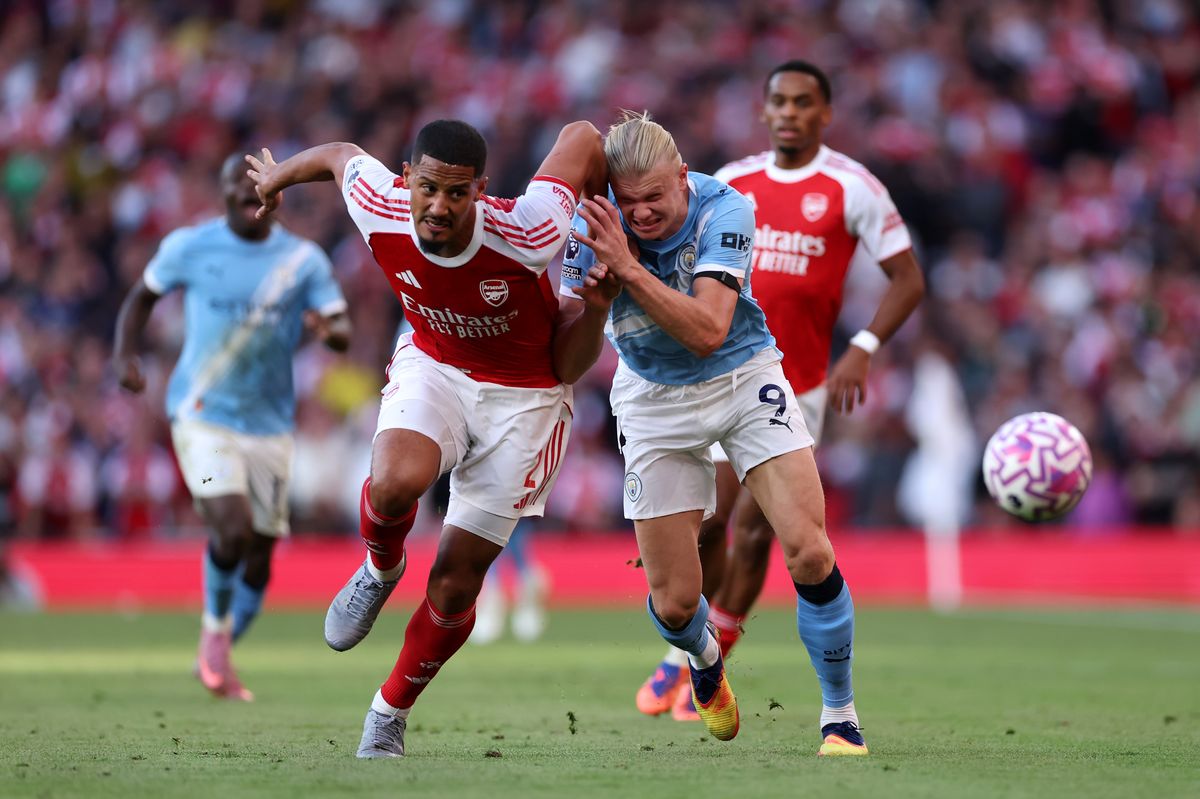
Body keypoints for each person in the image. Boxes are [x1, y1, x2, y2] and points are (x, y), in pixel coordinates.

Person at [245, 118, 609, 758]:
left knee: (456, 583)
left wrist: (616, 217)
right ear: (407, 179)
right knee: (393, 482)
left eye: (458, 194)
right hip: (434, 364)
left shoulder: (531, 229)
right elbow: (340, 155)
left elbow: (581, 136)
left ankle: (388, 712)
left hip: (525, 400)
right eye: (429, 189)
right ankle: (380, 568)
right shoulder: (379, 203)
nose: (439, 207)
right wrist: (277, 177)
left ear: (481, 191)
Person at [634, 60, 925, 728]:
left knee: (765, 529)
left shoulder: (853, 187)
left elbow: (907, 279)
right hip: (716, 376)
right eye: (779, 102)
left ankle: (718, 654)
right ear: (764, 111)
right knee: (708, 520)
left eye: (803, 102)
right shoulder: (732, 183)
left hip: (803, 383)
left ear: (825, 113)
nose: (789, 112)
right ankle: (691, 657)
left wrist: (865, 346)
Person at [112, 154, 352, 701]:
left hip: (269, 424)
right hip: (202, 413)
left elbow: (340, 326)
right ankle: (215, 636)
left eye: (258, 188)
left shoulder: (302, 261)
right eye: (236, 188)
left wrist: (328, 331)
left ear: (276, 194)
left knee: (261, 556)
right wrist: (125, 355)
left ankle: (217, 650)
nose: (249, 196)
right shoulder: (190, 247)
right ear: (221, 195)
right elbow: (142, 297)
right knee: (234, 528)